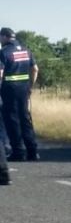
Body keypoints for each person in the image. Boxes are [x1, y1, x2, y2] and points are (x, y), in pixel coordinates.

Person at [0, 27, 39, 162]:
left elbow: (0, 73)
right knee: (25, 118)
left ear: (4, 37)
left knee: (12, 120)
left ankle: (18, 151)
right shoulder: (26, 50)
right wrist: (30, 86)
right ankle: (33, 151)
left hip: (9, 90)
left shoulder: (4, 52)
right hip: (24, 89)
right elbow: (35, 69)